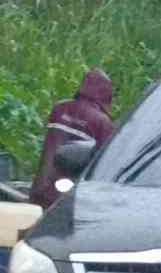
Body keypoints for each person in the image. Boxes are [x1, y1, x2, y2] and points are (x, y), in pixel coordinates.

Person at [32, 69, 115, 206]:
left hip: (41, 184)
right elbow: (105, 160)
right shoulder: (102, 121)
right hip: (69, 196)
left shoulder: (59, 108)